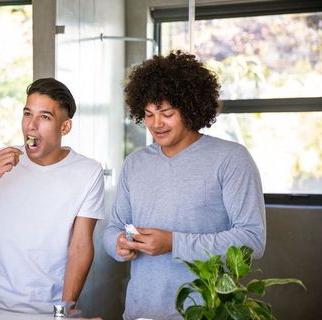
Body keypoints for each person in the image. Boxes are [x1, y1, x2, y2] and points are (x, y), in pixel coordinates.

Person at [103, 51, 266, 320]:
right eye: (149, 113)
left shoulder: (231, 159)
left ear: (190, 108)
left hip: (205, 311)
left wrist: (174, 243)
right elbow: (113, 228)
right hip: (139, 312)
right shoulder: (135, 163)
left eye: (167, 113)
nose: (156, 124)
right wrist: (119, 243)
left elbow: (252, 240)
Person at [0, 78, 105, 313]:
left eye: (45, 117)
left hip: (51, 309)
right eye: (27, 113)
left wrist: (64, 310)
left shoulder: (88, 172)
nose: (31, 125)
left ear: (65, 127)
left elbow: (80, 247)